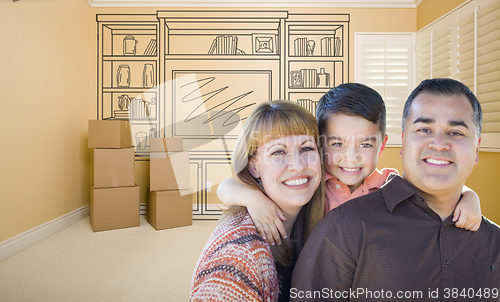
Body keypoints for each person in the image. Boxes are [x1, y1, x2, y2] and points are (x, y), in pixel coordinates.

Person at [290, 78, 500, 301]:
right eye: (424, 129)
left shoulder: (387, 184)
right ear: (403, 143)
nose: (439, 144)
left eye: (456, 132)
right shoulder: (318, 197)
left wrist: (469, 194)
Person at [217, 83, 482, 247]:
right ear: (319, 144)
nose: (351, 157)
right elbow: (225, 187)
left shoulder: (390, 183)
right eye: (337, 144)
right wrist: (254, 199)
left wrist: (470, 196)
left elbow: (433, 191)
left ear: (382, 144)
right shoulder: (310, 183)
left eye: (365, 145)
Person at [190, 101, 325, 302]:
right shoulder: (237, 257)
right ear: (254, 166)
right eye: (278, 152)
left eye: (306, 148)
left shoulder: (321, 214)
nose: (297, 165)